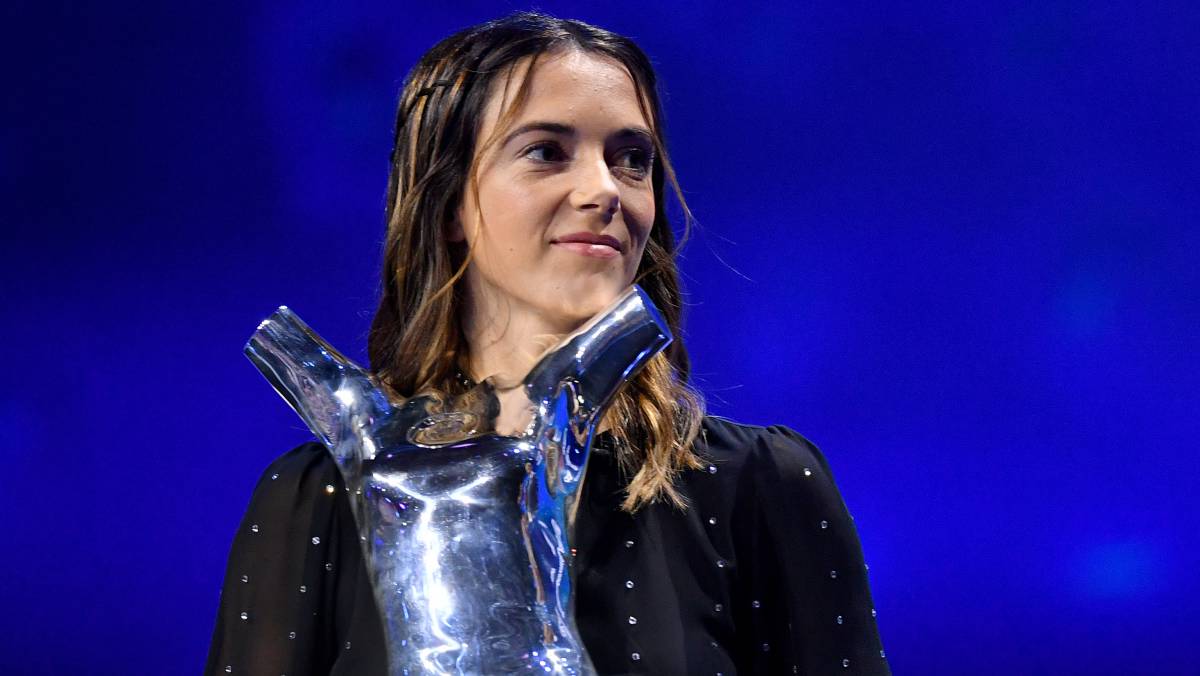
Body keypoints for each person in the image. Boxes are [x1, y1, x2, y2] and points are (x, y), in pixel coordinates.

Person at [206, 11, 888, 676]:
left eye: (631, 159)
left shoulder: (760, 485)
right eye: (545, 152)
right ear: (447, 206)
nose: (603, 190)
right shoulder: (317, 500)